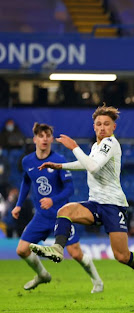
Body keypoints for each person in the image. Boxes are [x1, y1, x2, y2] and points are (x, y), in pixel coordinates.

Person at [29, 105, 134, 301]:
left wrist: (73, 146)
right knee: (65, 210)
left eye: (106, 124)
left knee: (122, 256)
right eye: (99, 124)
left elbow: (92, 167)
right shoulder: (96, 146)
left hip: (113, 205)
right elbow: (86, 163)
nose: (102, 127)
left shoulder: (111, 143)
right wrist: (60, 165)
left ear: (113, 127)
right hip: (95, 203)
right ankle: (58, 248)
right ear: (94, 127)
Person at [12, 123, 103, 292]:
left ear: (52, 139)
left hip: (61, 216)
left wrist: (53, 200)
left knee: (76, 254)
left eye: (47, 135)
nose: (44, 139)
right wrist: (18, 205)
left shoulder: (59, 160)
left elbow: (69, 189)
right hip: (41, 216)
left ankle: (97, 281)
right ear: (35, 139)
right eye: (41, 136)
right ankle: (42, 275)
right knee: (22, 250)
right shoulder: (27, 161)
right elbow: (26, 181)